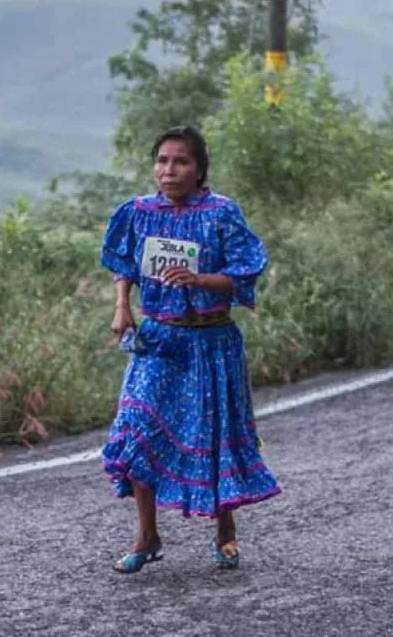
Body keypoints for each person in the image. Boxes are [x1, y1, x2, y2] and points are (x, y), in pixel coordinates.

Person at [100, 125, 281, 574]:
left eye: (180, 162)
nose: (169, 170)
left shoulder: (221, 213)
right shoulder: (139, 212)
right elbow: (124, 263)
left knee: (210, 434)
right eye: (162, 161)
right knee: (137, 428)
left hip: (210, 341)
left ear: (199, 169)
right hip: (158, 338)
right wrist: (123, 307)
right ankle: (147, 537)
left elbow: (245, 271)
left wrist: (199, 279)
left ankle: (225, 533)